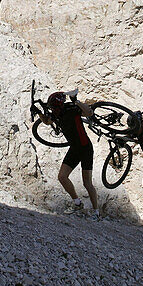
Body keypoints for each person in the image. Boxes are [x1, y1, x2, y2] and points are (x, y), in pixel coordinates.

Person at [46, 91, 100, 219]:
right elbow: (47, 121)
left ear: (59, 106)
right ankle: (77, 203)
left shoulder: (72, 109)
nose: (52, 110)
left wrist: (77, 101)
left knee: (87, 183)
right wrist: (38, 113)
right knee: (62, 177)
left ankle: (96, 212)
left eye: (54, 108)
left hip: (85, 148)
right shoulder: (56, 114)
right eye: (51, 108)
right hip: (74, 149)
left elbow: (89, 113)